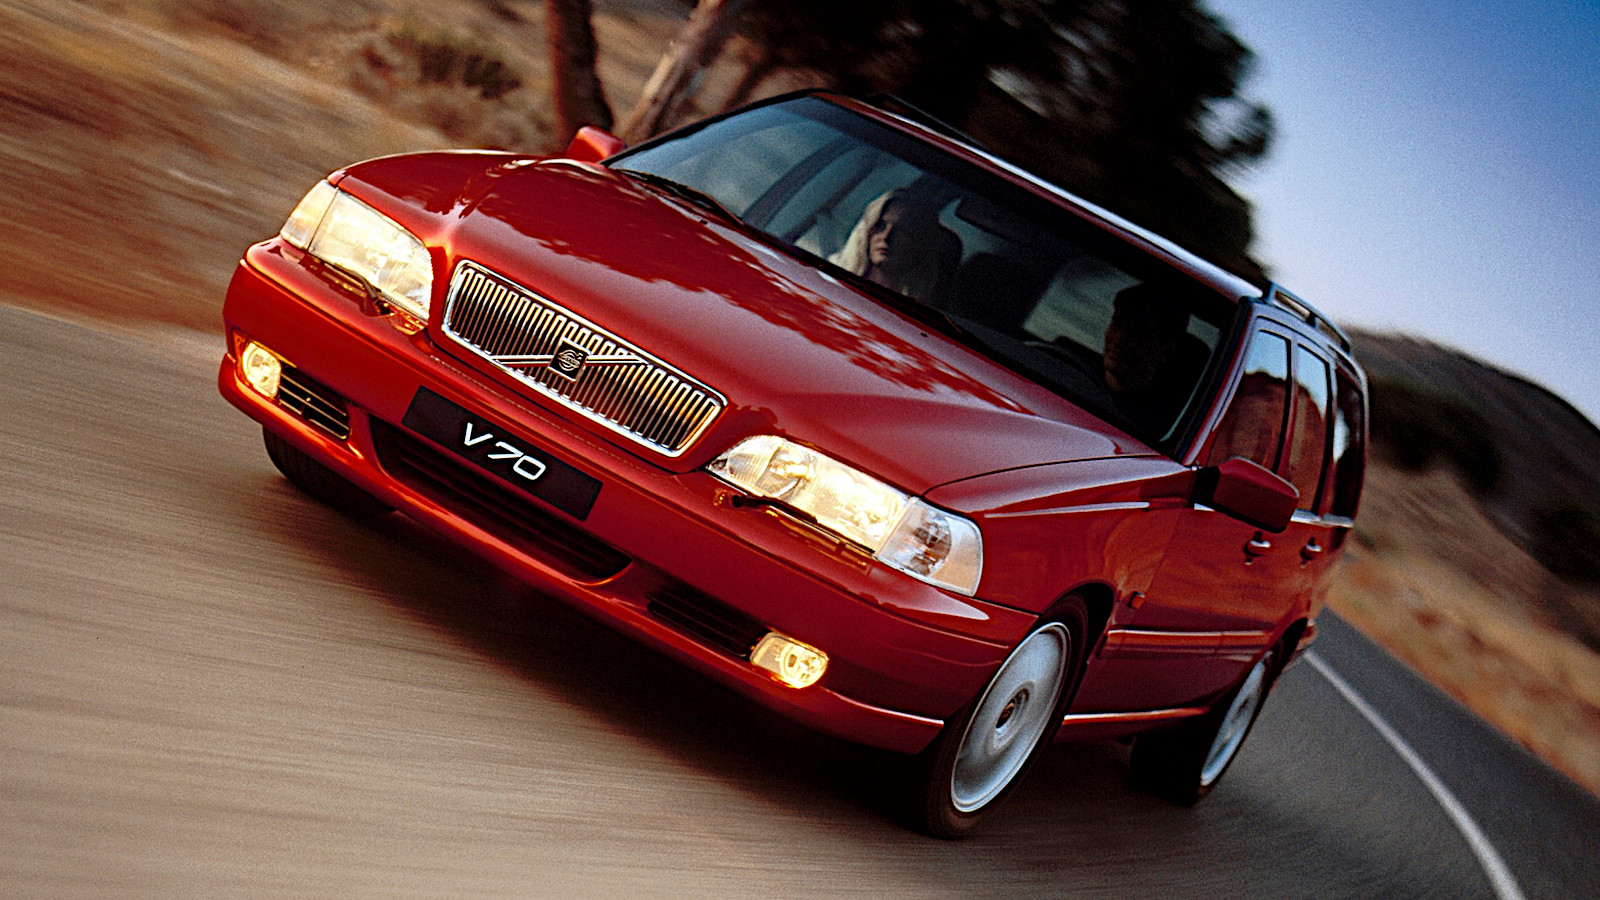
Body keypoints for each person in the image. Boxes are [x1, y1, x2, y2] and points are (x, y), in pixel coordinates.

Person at [1100, 282, 1206, 439]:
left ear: (1166, 351)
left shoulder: (1152, 430)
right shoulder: (1071, 370)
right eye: (1117, 323)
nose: (1118, 339)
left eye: (1136, 333)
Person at [829, 188, 960, 301]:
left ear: (920, 245)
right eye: (881, 225)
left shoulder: (918, 311)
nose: (886, 236)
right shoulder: (830, 276)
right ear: (867, 231)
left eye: (901, 231)